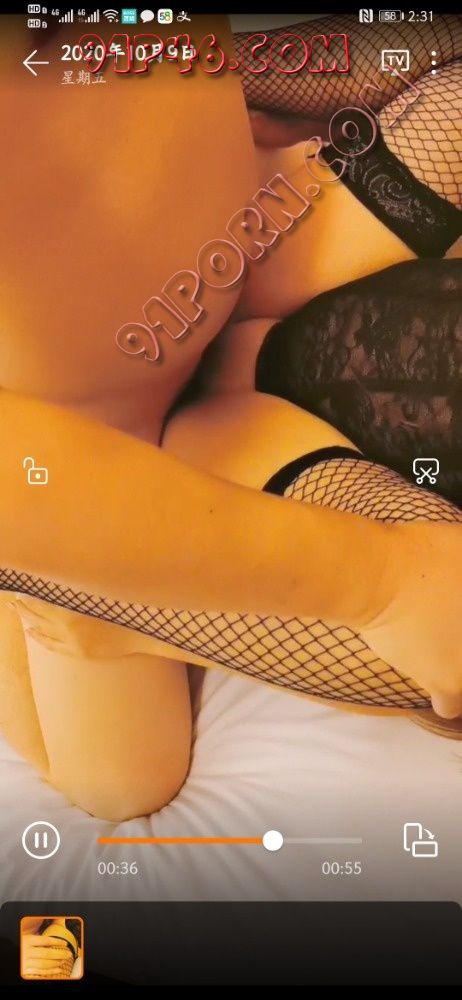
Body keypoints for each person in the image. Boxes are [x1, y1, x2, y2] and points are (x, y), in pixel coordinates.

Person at [0, 15, 461, 822]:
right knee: (122, 780)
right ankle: (60, 600)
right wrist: (383, 583)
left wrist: (233, 74)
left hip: (258, 224)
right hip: (105, 446)